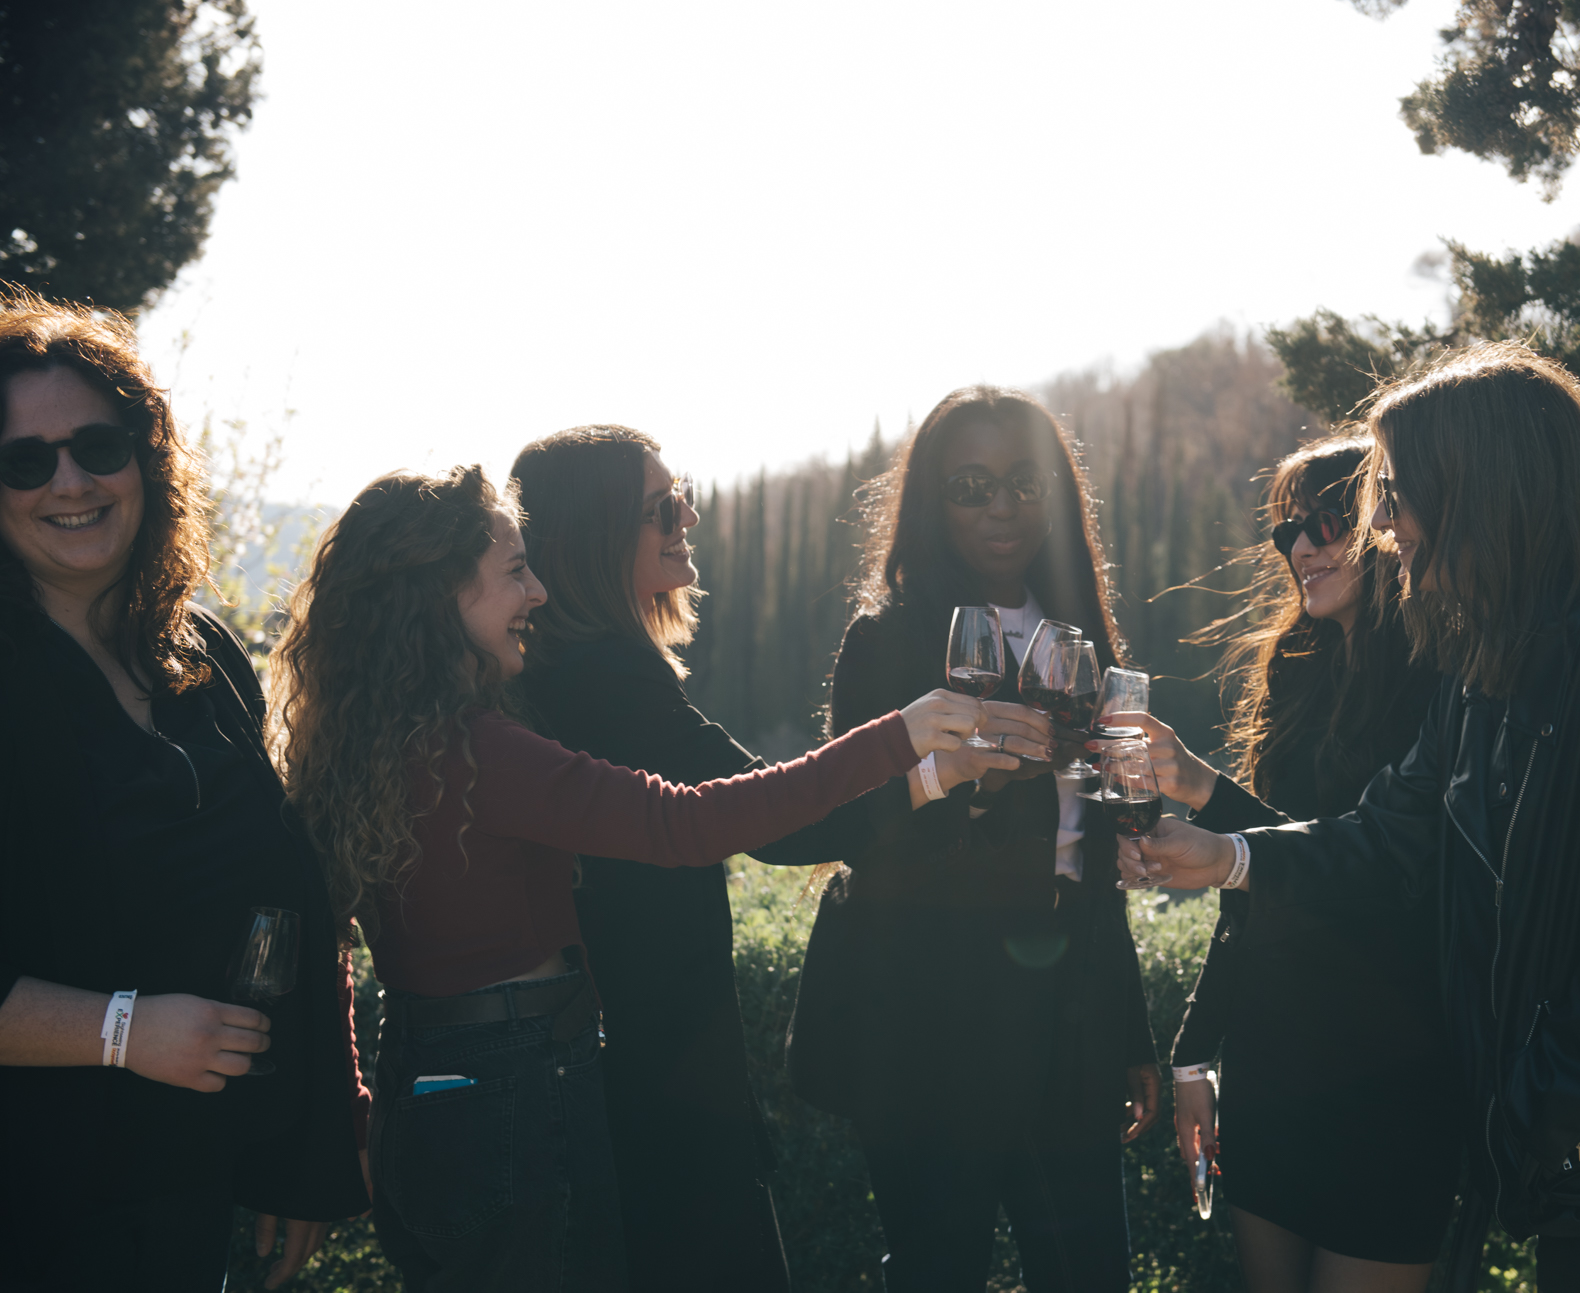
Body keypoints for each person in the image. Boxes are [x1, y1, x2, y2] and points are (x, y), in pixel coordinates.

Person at [1121, 344, 1580, 1293]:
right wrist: (1224, 856)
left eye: (1395, 495)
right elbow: (1387, 837)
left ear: (1481, 487)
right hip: (1573, 1154)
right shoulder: (1482, 669)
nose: (1385, 527)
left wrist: (1517, 1108)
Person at [267, 464, 992, 1293]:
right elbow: (687, 823)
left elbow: (322, 950)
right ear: (440, 597)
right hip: (517, 1092)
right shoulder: (481, 754)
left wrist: (357, 1111)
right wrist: (894, 739)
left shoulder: (349, 748)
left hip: (418, 1089)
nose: (537, 593)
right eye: (513, 572)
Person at [508, 424, 1040, 1292]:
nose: (686, 515)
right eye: (657, 507)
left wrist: (933, 772)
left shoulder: (581, 668)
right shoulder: (605, 678)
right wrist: (914, 755)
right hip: (651, 1073)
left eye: (681, 492)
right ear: (593, 536)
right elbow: (766, 814)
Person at [0, 290, 370, 1292]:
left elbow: (289, 899)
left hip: (188, 1189)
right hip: (32, 1207)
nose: (67, 481)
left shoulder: (198, 652)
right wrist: (120, 1029)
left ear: (148, 459)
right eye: (24, 461)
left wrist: (306, 1152)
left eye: (97, 445)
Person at [787, 385, 1161, 1293]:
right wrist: (973, 792)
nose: (1003, 506)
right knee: (935, 1271)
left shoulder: (1083, 643)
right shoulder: (886, 643)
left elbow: (1091, 857)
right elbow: (856, 836)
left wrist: (1132, 1032)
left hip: (1067, 1026)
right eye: (972, 485)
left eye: (1025, 481)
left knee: (1089, 1275)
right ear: (931, 501)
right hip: (926, 1028)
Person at [1101, 431, 1456, 1293]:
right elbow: (1260, 881)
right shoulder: (1296, 673)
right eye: (1287, 530)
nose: (1301, 547)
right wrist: (1195, 1056)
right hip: (1275, 1064)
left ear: (1390, 525)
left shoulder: (1445, 682)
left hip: (1389, 1073)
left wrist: (1221, 833)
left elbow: (1387, 877)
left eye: (1328, 521)